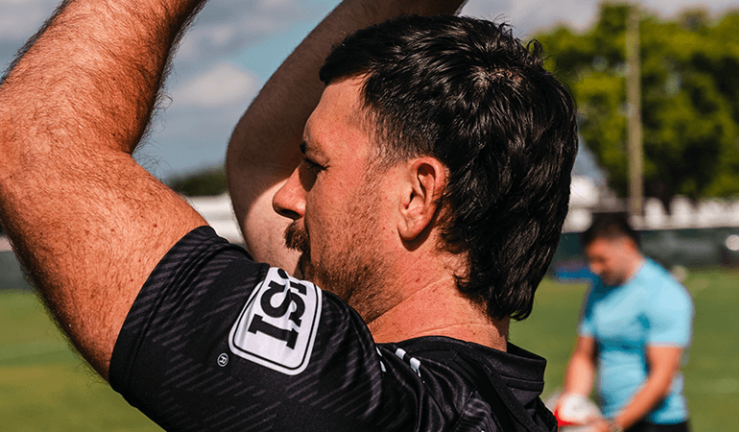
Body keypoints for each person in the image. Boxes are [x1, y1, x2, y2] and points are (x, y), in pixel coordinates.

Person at [0, 0, 577, 430]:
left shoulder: (357, 405)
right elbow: (260, 164)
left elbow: (35, 144)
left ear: (416, 197)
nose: (288, 198)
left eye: (315, 167)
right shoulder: (492, 405)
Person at [559, 215, 694, 432]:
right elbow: (584, 355)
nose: (594, 268)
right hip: (608, 419)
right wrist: (572, 404)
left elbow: (662, 376)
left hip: (658, 424)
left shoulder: (664, 293)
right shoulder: (599, 288)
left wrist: (615, 425)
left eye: (601, 259)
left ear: (628, 247)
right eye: (590, 259)